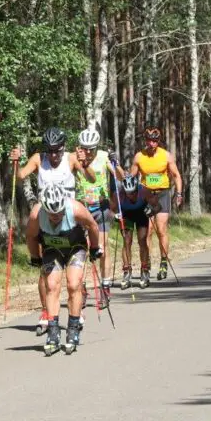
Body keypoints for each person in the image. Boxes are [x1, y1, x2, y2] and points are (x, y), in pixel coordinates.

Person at [10, 127, 93, 334]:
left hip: (69, 218)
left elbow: (90, 178)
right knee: (45, 271)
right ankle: (47, 312)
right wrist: (15, 161)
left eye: (57, 150)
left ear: (63, 148)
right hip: (46, 219)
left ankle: (76, 311)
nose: (53, 155)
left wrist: (86, 163)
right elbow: (20, 176)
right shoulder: (39, 159)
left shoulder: (71, 158)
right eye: (50, 151)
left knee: (74, 275)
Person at [26, 181, 103, 355]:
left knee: (73, 285)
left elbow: (93, 226)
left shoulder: (76, 209)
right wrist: (35, 256)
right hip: (52, 248)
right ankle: (53, 333)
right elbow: (30, 236)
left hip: (76, 247)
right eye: (51, 213)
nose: (55, 216)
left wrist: (95, 248)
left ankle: (73, 329)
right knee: (52, 286)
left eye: (59, 212)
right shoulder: (37, 214)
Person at [74, 128, 125, 306]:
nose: (88, 152)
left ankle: (105, 287)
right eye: (84, 148)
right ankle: (82, 288)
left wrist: (115, 163)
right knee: (83, 249)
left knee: (101, 248)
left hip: (101, 207)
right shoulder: (75, 157)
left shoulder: (103, 157)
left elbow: (121, 177)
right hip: (81, 208)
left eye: (91, 149)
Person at [128, 126, 183, 281]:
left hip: (162, 194)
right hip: (146, 196)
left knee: (161, 229)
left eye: (155, 141)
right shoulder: (139, 157)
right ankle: (148, 261)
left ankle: (164, 262)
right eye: (149, 140)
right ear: (145, 141)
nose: (152, 144)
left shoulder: (166, 156)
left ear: (159, 141)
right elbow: (131, 178)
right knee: (148, 231)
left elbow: (176, 175)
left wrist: (178, 193)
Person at [111, 172, 153, 289]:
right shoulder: (118, 195)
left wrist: (151, 210)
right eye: (128, 193)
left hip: (141, 215)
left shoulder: (144, 191)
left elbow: (157, 206)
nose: (131, 196)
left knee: (142, 241)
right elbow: (111, 210)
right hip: (126, 216)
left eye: (133, 192)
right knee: (126, 242)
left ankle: (144, 271)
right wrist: (115, 215)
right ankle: (126, 272)